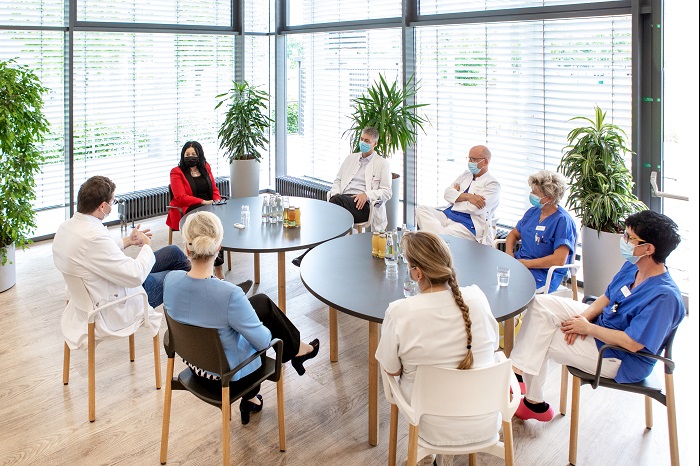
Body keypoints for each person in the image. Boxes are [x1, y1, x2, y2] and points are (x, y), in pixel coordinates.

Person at [509, 210, 685, 422]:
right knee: (540, 305)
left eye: (629, 238)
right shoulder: (633, 266)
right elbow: (607, 297)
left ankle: (528, 397)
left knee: (542, 338)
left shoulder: (664, 297)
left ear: (648, 248)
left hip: (619, 357)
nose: (624, 241)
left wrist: (588, 328)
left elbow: (633, 343)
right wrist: (582, 318)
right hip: (604, 325)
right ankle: (519, 376)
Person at [163, 211, 320, 424]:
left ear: (186, 248)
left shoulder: (171, 280)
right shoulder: (229, 294)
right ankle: (294, 352)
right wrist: (243, 323)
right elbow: (264, 342)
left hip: (194, 367)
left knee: (261, 303)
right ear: (219, 248)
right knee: (254, 330)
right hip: (227, 377)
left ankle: (255, 397)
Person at [375, 231, 500, 459]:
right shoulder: (478, 298)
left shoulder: (400, 312)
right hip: (487, 418)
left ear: (417, 273)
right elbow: (493, 347)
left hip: (431, 425)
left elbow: (392, 369)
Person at [53, 175, 192, 350]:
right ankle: (199, 308)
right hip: (117, 303)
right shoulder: (94, 237)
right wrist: (147, 246)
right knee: (179, 276)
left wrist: (128, 241)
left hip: (102, 287)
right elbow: (135, 276)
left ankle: (200, 290)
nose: (112, 207)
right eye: (113, 202)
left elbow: (98, 255)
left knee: (173, 252)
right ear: (102, 206)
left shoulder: (67, 227)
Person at [292, 126, 392, 266]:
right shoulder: (350, 158)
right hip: (342, 200)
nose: (363, 142)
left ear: (375, 143)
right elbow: (338, 180)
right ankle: (316, 255)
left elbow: (387, 192)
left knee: (331, 210)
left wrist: (367, 195)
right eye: (362, 139)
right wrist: (336, 193)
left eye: (367, 141)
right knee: (335, 205)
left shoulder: (382, 164)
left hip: (362, 205)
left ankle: (310, 253)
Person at [505, 170, 577, 293]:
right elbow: (514, 234)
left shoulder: (563, 221)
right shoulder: (532, 212)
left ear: (549, 198)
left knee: (510, 289)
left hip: (544, 273)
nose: (531, 194)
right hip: (520, 264)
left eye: (535, 192)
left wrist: (527, 264)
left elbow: (559, 260)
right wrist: (509, 253)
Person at [415, 145, 500, 245]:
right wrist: (469, 197)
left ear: (485, 162)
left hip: (467, 225)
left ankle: (438, 238)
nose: (470, 162)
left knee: (441, 234)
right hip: (447, 215)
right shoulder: (465, 175)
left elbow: (474, 209)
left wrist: (456, 197)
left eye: (474, 159)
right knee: (421, 209)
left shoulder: (492, 184)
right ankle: (439, 237)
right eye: (469, 158)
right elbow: (447, 194)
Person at [166, 141, 226, 279]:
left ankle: (216, 267)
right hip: (189, 208)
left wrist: (216, 201)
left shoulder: (205, 167)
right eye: (187, 154)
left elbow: (214, 189)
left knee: (216, 224)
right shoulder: (177, 172)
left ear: (199, 155)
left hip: (210, 206)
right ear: (183, 155)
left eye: (193, 154)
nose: (190, 156)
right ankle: (212, 270)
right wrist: (202, 202)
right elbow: (180, 197)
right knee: (208, 225)